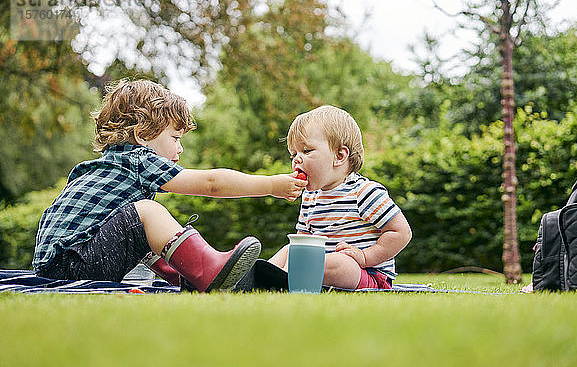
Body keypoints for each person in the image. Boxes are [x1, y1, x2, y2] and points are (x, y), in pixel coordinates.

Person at [33, 79, 307, 292]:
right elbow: (211, 183)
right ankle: (208, 269)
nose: (180, 147)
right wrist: (272, 184)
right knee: (148, 212)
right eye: (175, 137)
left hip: (55, 268)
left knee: (143, 221)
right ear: (142, 135)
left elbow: (136, 241)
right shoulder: (139, 160)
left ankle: (190, 276)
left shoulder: (105, 168)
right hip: (73, 265)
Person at [269, 105, 412, 290]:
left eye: (306, 151)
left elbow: (401, 232)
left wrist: (365, 257)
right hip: (319, 269)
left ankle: (284, 280)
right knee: (291, 249)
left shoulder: (364, 192)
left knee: (341, 262)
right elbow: (304, 240)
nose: (296, 159)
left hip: (367, 274)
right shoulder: (310, 197)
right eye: (293, 154)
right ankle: (260, 275)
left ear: (339, 156)